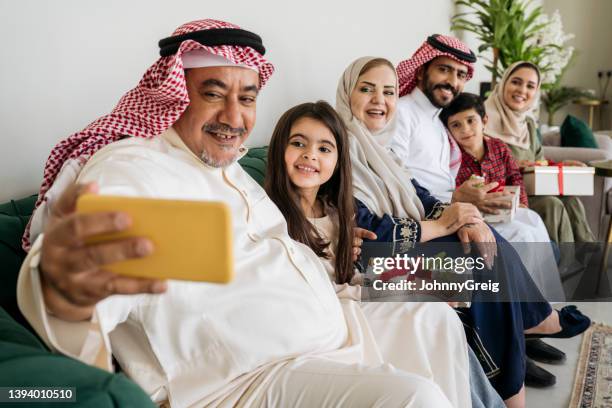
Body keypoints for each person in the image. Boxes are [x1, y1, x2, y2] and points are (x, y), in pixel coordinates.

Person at [16, 19, 462, 408]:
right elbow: (84, 287)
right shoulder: (134, 172)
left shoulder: (226, 168)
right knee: (413, 399)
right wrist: (65, 296)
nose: (234, 116)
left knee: (433, 318)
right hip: (245, 379)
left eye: (247, 98)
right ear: (172, 96)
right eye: (213, 93)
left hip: (333, 329)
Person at [336, 56, 590, 408]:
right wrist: (444, 223)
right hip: (374, 262)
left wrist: (465, 217)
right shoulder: (338, 149)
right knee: (479, 267)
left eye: (388, 91)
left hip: (404, 244)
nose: (380, 100)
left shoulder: (382, 150)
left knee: (482, 239)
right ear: (347, 93)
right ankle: (523, 356)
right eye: (367, 89)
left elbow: (419, 196)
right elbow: (369, 229)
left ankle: (522, 352)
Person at [265, 99, 503, 408]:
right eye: (298, 143)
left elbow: (354, 271)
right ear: (279, 149)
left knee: (448, 295)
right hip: (330, 312)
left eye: (325, 149)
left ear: (338, 160)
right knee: (428, 313)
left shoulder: (338, 209)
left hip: (354, 291)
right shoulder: (269, 213)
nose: (311, 154)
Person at [440, 92, 564, 299]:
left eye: (471, 121)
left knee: (533, 219)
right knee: (523, 235)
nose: (465, 129)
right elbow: (449, 190)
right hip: (477, 217)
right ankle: (524, 300)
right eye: (456, 125)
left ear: (484, 121)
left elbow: (514, 176)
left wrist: (522, 203)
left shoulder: (498, 147)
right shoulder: (452, 158)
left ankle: (547, 296)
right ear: (448, 130)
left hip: (504, 210)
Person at [484, 61, 596, 243]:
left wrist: (562, 165)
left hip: (532, 192)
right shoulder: (482, 119)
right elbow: (475, 167)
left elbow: (539, 162)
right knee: (551, 204)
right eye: (516, 82)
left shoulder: (528, 124)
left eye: (530, 86)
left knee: (571, 200)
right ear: (504, 83)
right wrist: (512, 166)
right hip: (505, 197)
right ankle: (558, 266)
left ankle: (590, 260)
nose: (522, 90)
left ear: (536, 92)